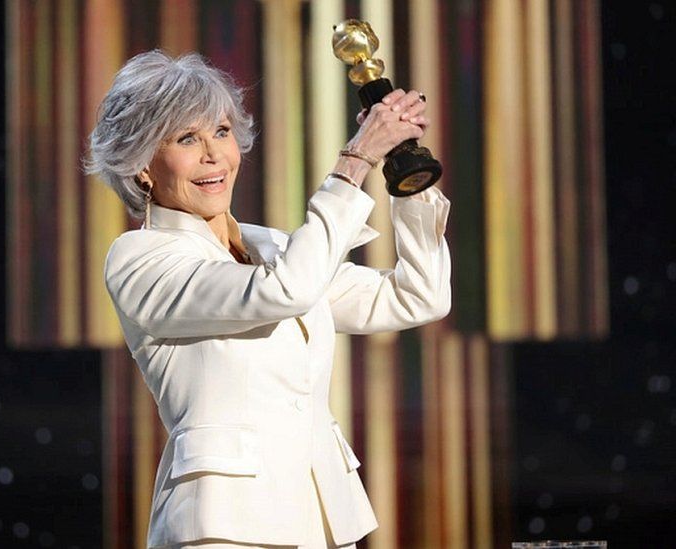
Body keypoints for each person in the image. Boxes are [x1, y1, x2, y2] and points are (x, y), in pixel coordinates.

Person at [86, 50, 451, 549]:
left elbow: (418, 296)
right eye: (186, 138)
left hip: (320, 523)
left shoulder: (274, 249)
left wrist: (406, 173)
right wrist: (355, 160)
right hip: (223, 528)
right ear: (141, 166)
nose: (214, 155)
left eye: (221, 131)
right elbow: (286, 291)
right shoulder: (141, 259)